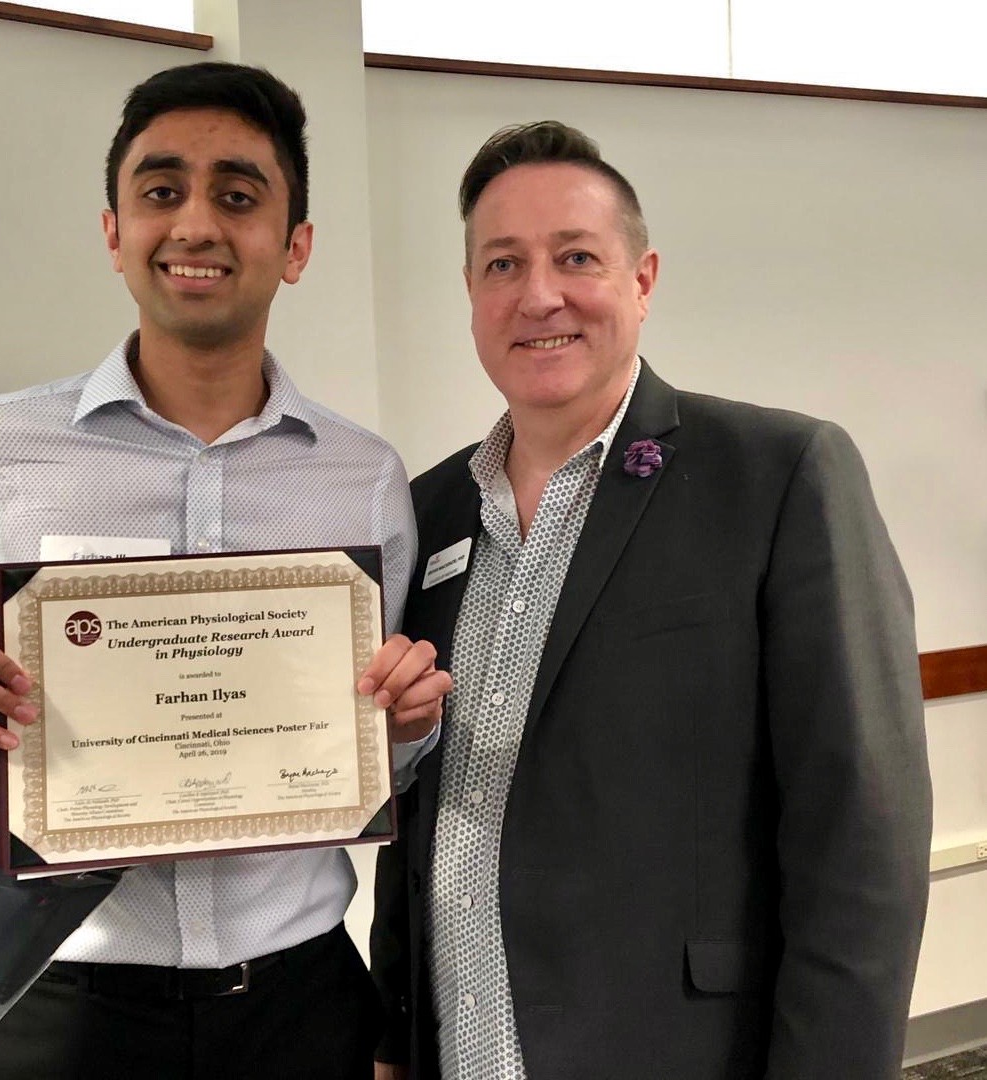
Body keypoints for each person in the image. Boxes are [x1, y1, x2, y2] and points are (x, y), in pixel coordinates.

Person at [0, 61, 448, 1079]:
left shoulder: (364, 479)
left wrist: (405, 729)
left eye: (240, 196)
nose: (197, 225)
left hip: (299, 1006)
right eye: (161, 192)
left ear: (295, 246)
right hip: (61, 1011)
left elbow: (379, 759)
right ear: (114, 231)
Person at [370, 120, 932, 1080]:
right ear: (472, 294)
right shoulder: (427, 511)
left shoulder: (777, 475)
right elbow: (421, 802)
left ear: (643, 279)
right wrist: (391, 1036)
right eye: (502, 263)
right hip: (461, 1050)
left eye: (576, 256)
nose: (538, 294)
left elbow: (861, 841)